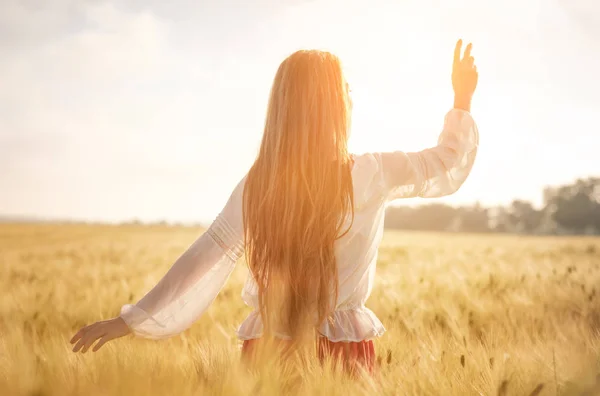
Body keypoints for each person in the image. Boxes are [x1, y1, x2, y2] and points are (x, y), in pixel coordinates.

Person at [70, 39, 479, 374]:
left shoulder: (260, 183)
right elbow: (445, 163)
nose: (353, 95)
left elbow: (205, 255)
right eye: (345, 88)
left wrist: (133, 319)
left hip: (267, 354)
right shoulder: (373, 172)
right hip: (343, 358)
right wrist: (462, 98)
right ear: (331, 105)